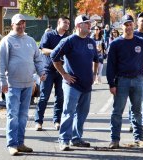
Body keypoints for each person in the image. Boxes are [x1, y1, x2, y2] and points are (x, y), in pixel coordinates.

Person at [0, 14, 46, 156]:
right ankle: (12, 144)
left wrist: (41, 72)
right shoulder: (7, 40)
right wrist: (3, 81)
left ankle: (20, 142)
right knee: (13, 115)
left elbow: (38, 59)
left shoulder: (30, 41)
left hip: (28, 84)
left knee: (23, 115)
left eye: (23, 23)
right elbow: (0, 63)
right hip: (12, 85)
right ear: (12, 25)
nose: (21, 26)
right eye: (18, 24)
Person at [50, 14, 99, 151]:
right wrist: (64, 74)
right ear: (78, 26)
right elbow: (54, 56)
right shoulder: (69, 41)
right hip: (72, 84)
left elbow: (96, 59)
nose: (90, 25)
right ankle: (64, 140)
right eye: (87, 23)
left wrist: (94, 74)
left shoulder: (91, 42)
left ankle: (76, 139)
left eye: (90, 23)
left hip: (86, 85)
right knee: (68, 112)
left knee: (82, 113)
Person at [106, 14, 143, 149]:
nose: (128, 27)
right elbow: (110, 66)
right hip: (122, 81)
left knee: (137, 111)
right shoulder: (115, 44)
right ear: (122, 27)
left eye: (130, 24)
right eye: (126, 25)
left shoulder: (140, 41)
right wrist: (111, 84)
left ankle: (139, 139)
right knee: (117, 112)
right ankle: (114, 139)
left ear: (134, 25)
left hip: (138, 80)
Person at [34, 16, 70, 131]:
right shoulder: (49, 35)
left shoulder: (68, 38)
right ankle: (38, 121)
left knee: (60, 97)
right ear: (59, 23)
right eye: (65, 22)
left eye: (68, 23)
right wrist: (56, 52)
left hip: (61, 71)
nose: (67, 24)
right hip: (48, 70)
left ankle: (57, 121)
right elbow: (43, 50)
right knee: (44, 97)